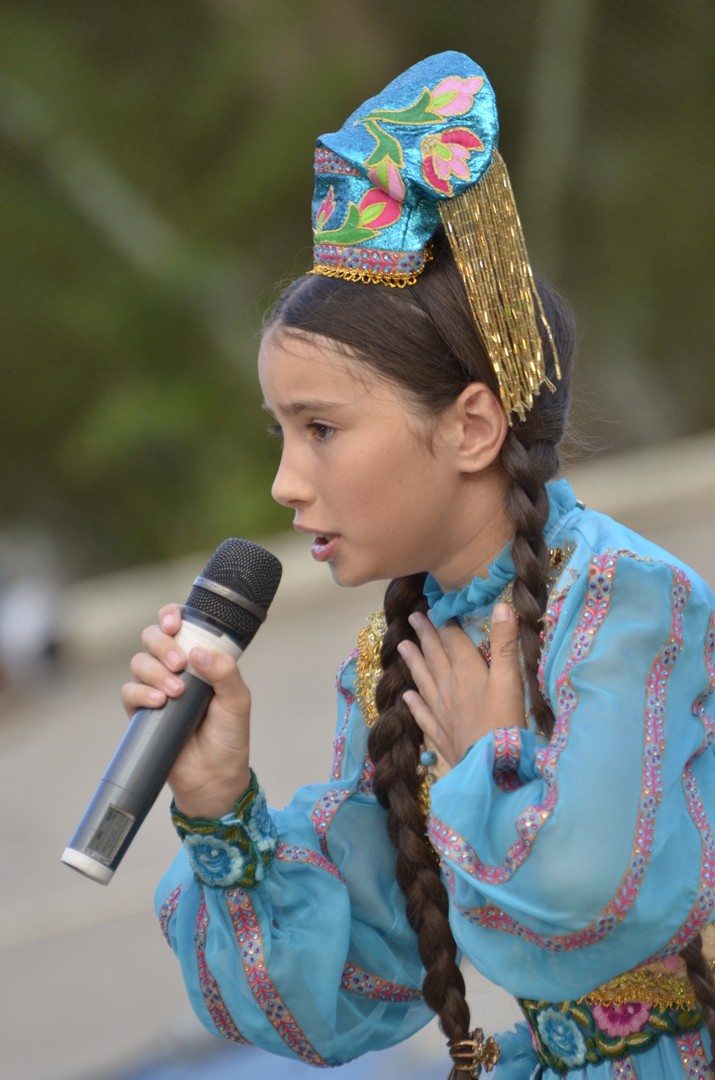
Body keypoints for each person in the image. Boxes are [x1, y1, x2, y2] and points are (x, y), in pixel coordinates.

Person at [122, 53, 715, 1079]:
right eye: (278, 432)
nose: (285, 483)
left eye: (320, 429)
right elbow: (360, 989)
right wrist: (222, 807)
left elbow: (592, 904)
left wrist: (490, 758)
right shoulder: (396, 657)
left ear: (472, 426)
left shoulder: (626, 603)